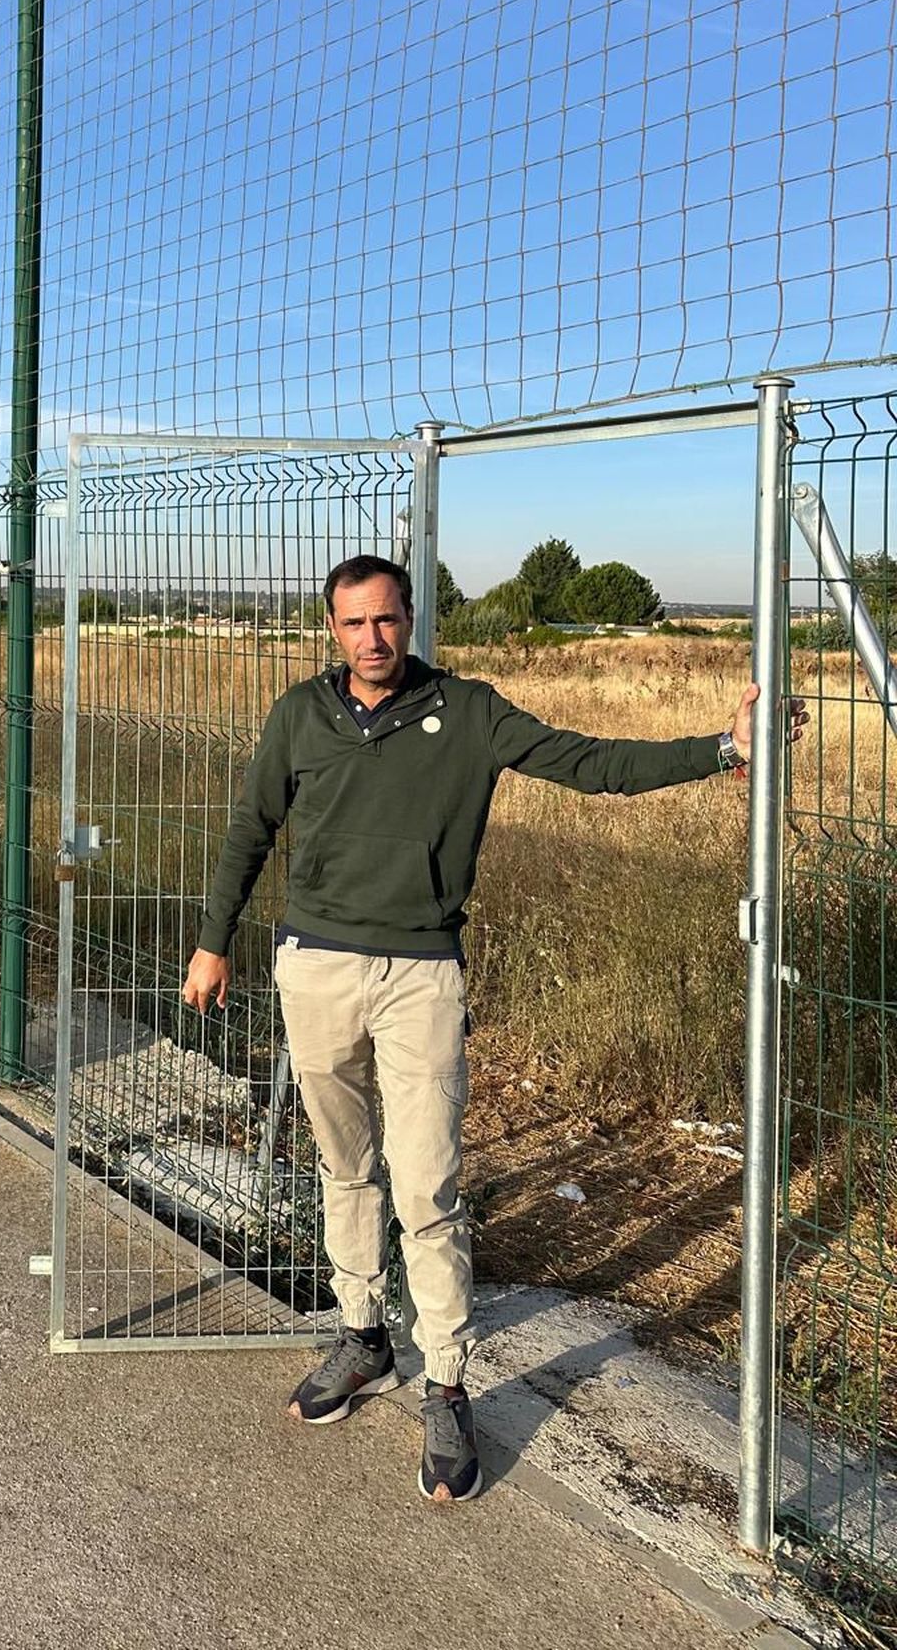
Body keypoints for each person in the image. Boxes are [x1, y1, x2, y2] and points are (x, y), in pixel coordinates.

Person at [181, 552, 798, 1505]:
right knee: (343, 1166)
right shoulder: (299, 714)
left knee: (426, 1187)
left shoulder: (468, 711)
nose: (371, 640)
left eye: (386, 621)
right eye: (353, 625)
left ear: (410, 618)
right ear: (331, 628)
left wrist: (722, 746)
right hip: (316, 967)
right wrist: (212, 942)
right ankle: (361, 1335)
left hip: (421, 975)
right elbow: (249, 827)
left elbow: (590, 763)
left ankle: (447, 1382)